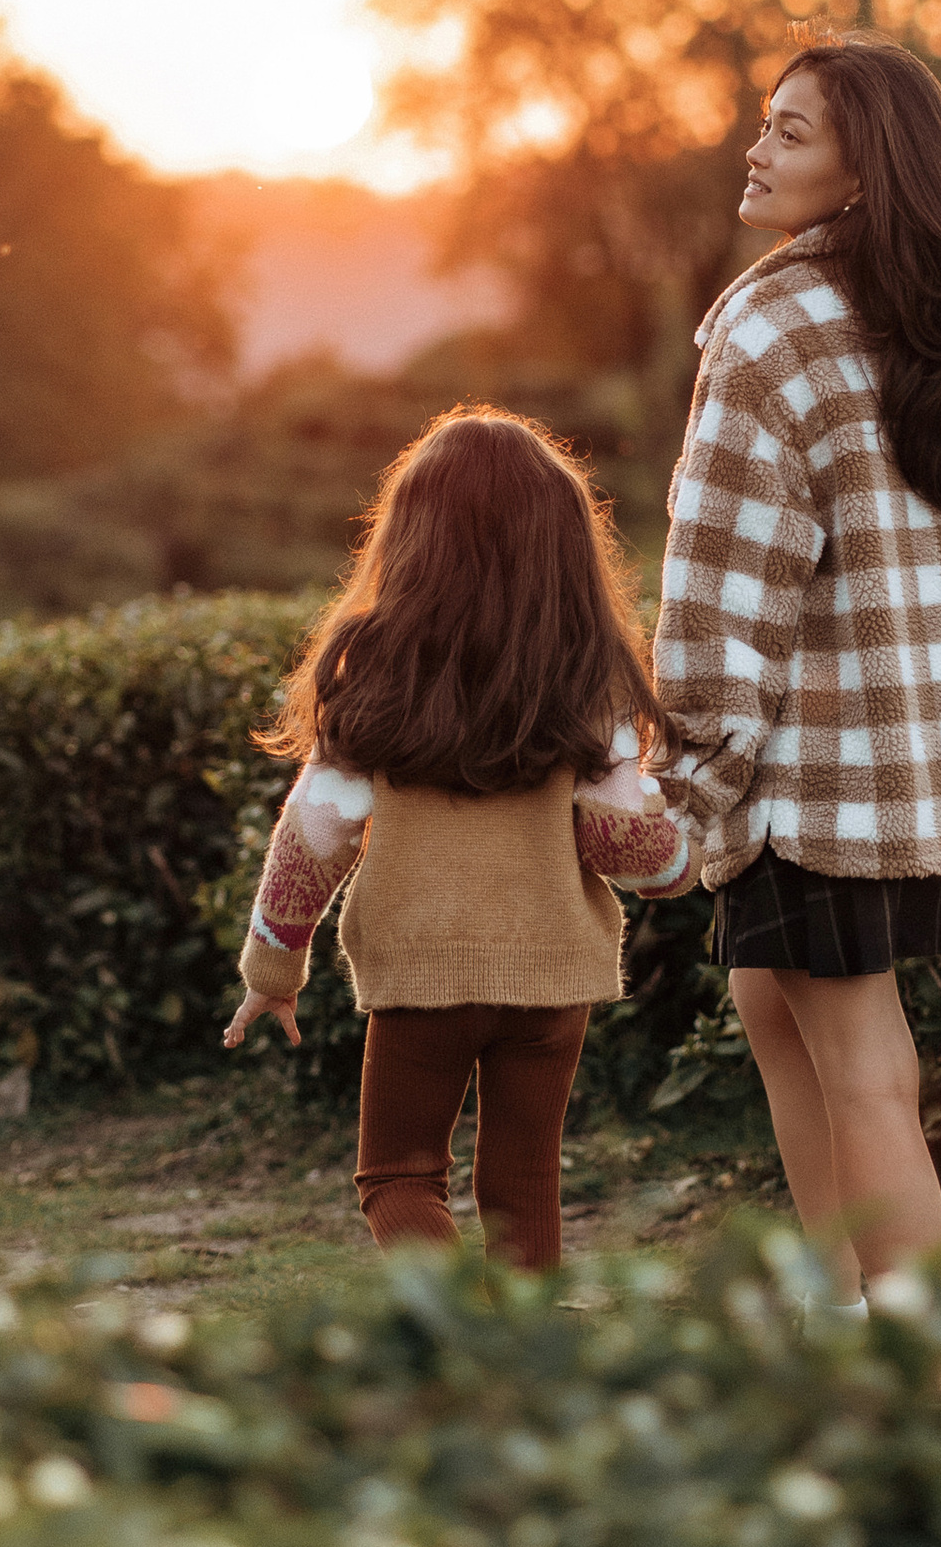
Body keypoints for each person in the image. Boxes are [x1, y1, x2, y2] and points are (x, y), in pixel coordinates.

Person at [653, 37, 941, 1312]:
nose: (755, 148)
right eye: (765, 121)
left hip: (821, 788)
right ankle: (842, 1317)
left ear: (867, 168)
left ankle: (918, 1372)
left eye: (792, 132)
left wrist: (685, 781)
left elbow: (720, 589)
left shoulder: (766, 327)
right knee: (768, 1000)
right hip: (931, 786)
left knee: (862, 1065)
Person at [224, 407, 697, 1269]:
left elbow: (312, 835)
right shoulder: (587, 673)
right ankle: (528, 1361)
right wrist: (680, 862)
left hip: (419, 972)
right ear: (564, 546)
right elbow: (634, 852)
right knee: (524, 1184)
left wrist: (271, 971)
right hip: (551, 978)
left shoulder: (371, 667)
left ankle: (472, 1332)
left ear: (407, 539)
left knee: (397, 1180)